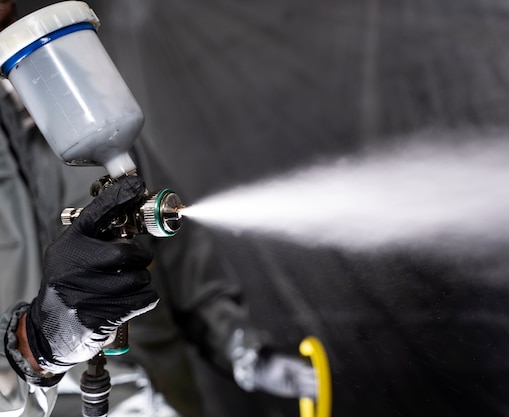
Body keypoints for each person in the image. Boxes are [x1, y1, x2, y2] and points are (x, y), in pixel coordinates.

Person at [0, 2, 317, 416]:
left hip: (161, 401)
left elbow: (191, 272)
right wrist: (36, 344)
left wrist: (248, 354)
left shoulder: (92, 124)